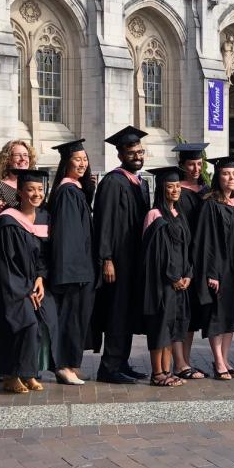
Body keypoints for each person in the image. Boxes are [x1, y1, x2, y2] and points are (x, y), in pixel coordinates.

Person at [0, 170, 58, 393]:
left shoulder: (42, 219)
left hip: (29, 284)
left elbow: (42, 256)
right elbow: (6, 263)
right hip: (10, 287)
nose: (36, 194)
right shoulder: (8, 222)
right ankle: (9, 375)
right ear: (20, 193)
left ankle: (28, 373)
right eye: (30, 190)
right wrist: (25, 289)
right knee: (21, 325)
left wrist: (39, 278)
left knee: (39, 325)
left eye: (40, 190)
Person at [90, 126, 150, 384]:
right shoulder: (113, 182)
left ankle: (122, 362)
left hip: (134, 259)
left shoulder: (139, 182)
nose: (137, 155)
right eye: (132, 152)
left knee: (127, 312)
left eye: (140, 151)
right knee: (116, 311)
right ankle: (109, 366)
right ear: (120, 155)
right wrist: (107, 258)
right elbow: (104, 223)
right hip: (118, 259)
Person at [48, 139, 96, 385]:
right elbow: (67, 235)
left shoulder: (76, 189)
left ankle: (73, 365)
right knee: (68, 318)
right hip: (73, 270)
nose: (82, 163)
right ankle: (63, 366)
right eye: (77, 159)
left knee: (78, 318)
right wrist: (71, 272)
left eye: (85, 160)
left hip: (82, 267)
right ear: (66, 162)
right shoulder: (67, 191)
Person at [192, 156, 234, 380]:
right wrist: (211, 272)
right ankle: (219, 361)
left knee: (231, 316)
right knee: (217, 315)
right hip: (219, 269)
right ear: (218, 177)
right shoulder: (210, 204)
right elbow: (206, 241)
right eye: (225, 174)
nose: (230, 178)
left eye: (233, 174)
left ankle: (224, 358)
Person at [142, 166, 193, 387]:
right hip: (161, 284)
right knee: (159, 327)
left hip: (180, 282)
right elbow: (155, 255)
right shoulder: (155, 215)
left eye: (177, 186)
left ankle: (168, 370)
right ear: (161, 189)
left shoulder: (178, 214)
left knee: (172, 327)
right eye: (169, 187)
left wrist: (188, 274)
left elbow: (186, 248)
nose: (174, 190)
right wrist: (172, 277)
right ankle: (157, 373)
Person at [171, 142, 209, 380]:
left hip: (200, 257)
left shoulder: (205, 190)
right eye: (191, 164)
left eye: (199, 164)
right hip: (182, 255)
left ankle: (186, 360)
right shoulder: (177, 191)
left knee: (192, 314)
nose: (195, 168)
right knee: (179, 312)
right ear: (182, 166)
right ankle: (178, 362)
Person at [0, 139, 35, 221]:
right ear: (7, 159)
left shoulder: (35, 185)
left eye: (25, 155)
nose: (23, 158)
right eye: (17, 155)